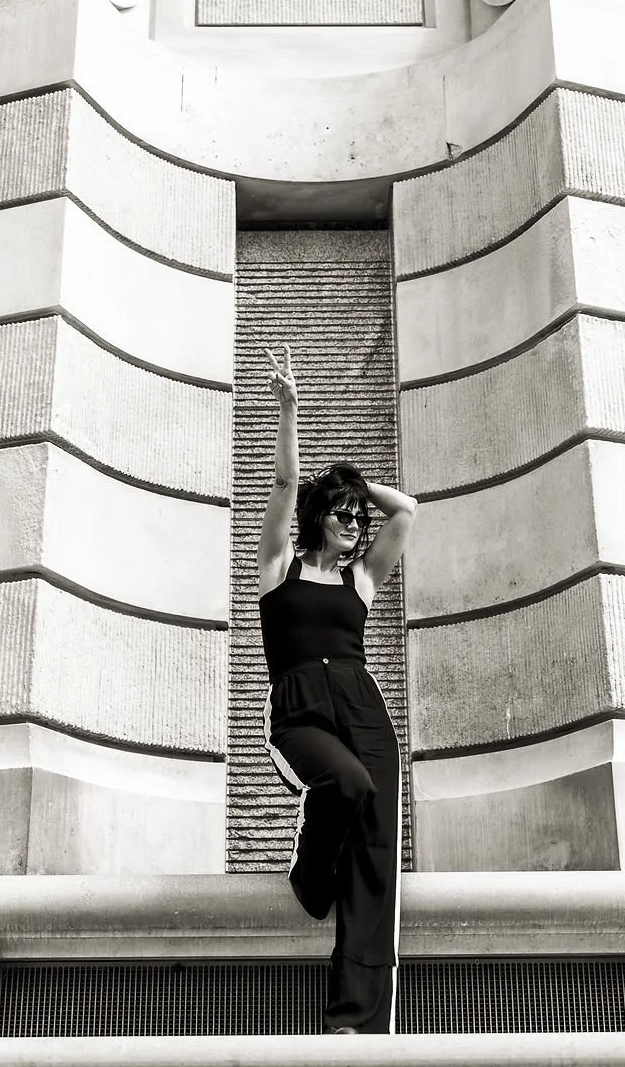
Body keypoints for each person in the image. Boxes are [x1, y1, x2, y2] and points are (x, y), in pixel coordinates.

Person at [258, 343, 417, 1035]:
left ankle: (353, 1020)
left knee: (378, 858)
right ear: (319, 512)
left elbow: (406, 511)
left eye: (359, 520)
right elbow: (285, 488)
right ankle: (309, 880)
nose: (356, 527)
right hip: (301, 713)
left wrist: (357, 482)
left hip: (363, 706)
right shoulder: (279, 567)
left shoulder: (361, 579)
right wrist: (291, 413)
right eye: (344, 514)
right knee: (344, 787)